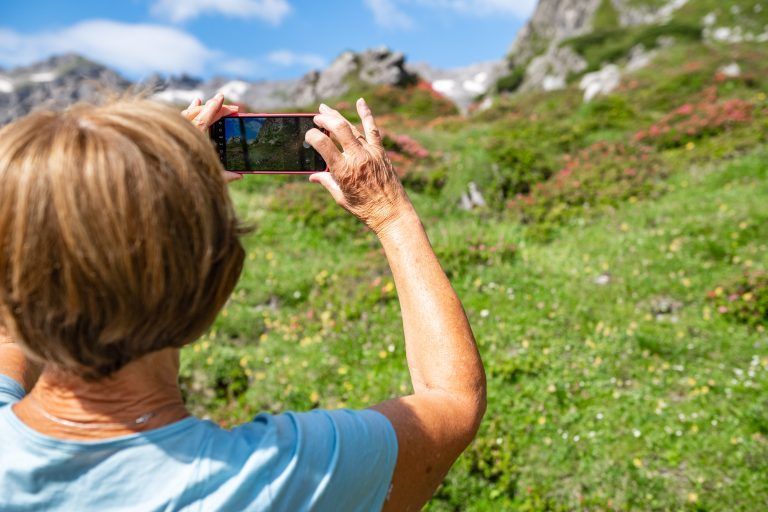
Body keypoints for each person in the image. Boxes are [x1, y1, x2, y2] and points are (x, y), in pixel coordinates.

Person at [0, 93, 486, 511]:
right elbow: (453, 402)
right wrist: (389, 212)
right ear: (215, 284)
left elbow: (17, 320)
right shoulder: (276, 480)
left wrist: (143, 174)